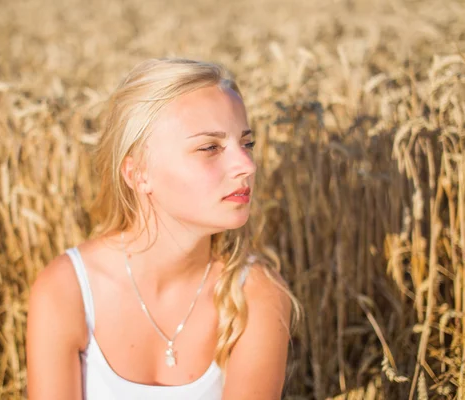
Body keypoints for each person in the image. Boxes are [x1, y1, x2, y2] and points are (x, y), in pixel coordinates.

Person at [26, 58, 300, 400]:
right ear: (138, 173)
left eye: (246, 144)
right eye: (210, 148)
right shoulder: (66, 290)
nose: (246, 165)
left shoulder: (256, 294)